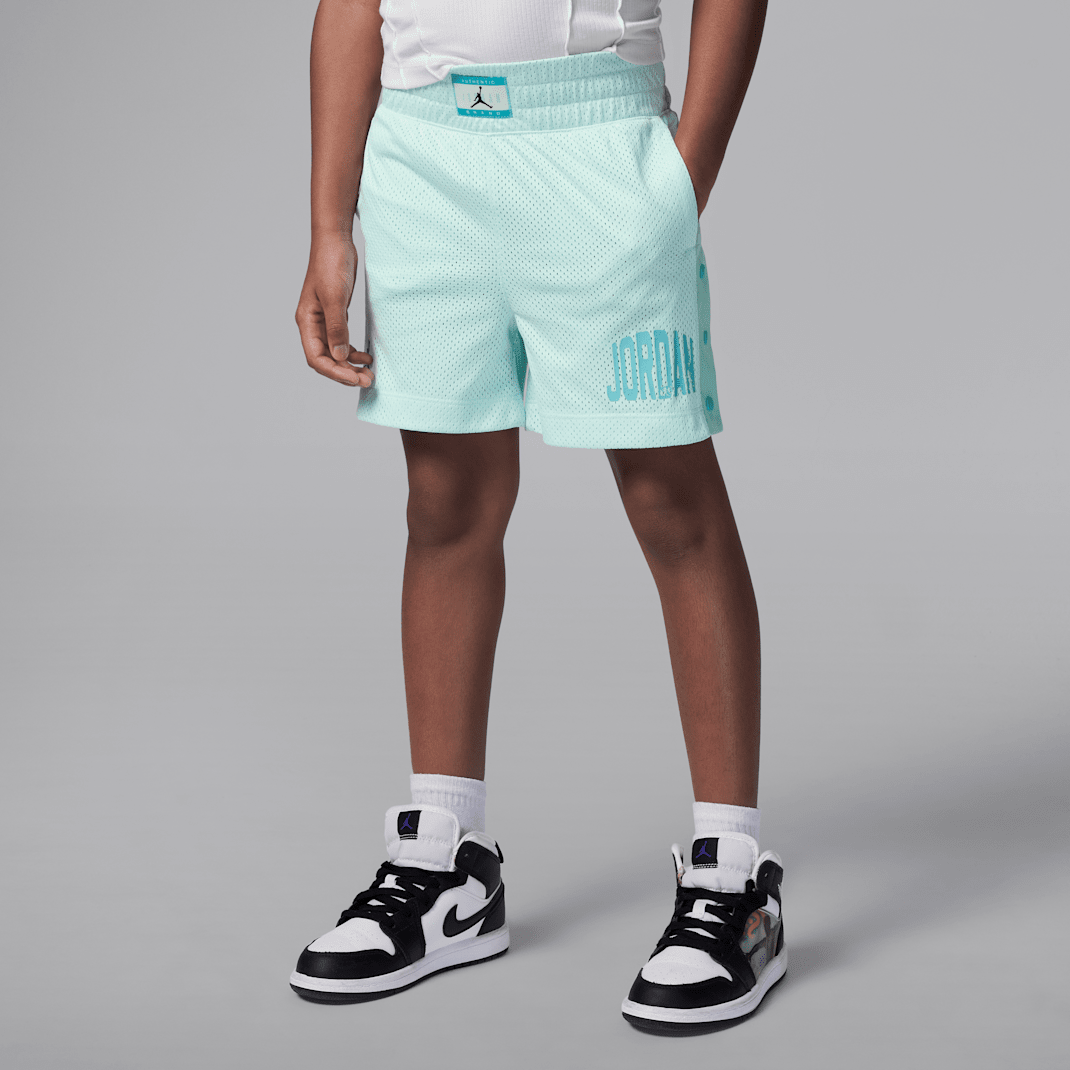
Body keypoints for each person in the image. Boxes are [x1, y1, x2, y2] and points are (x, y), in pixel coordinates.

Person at [291, 0, 783, 1035]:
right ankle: (444, 859)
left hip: (598, 145)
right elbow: (349, 7)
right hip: (422, 158)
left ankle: (733, 879)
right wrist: (330, 226)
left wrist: (682, 177)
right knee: (444, 501)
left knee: (669, 503)